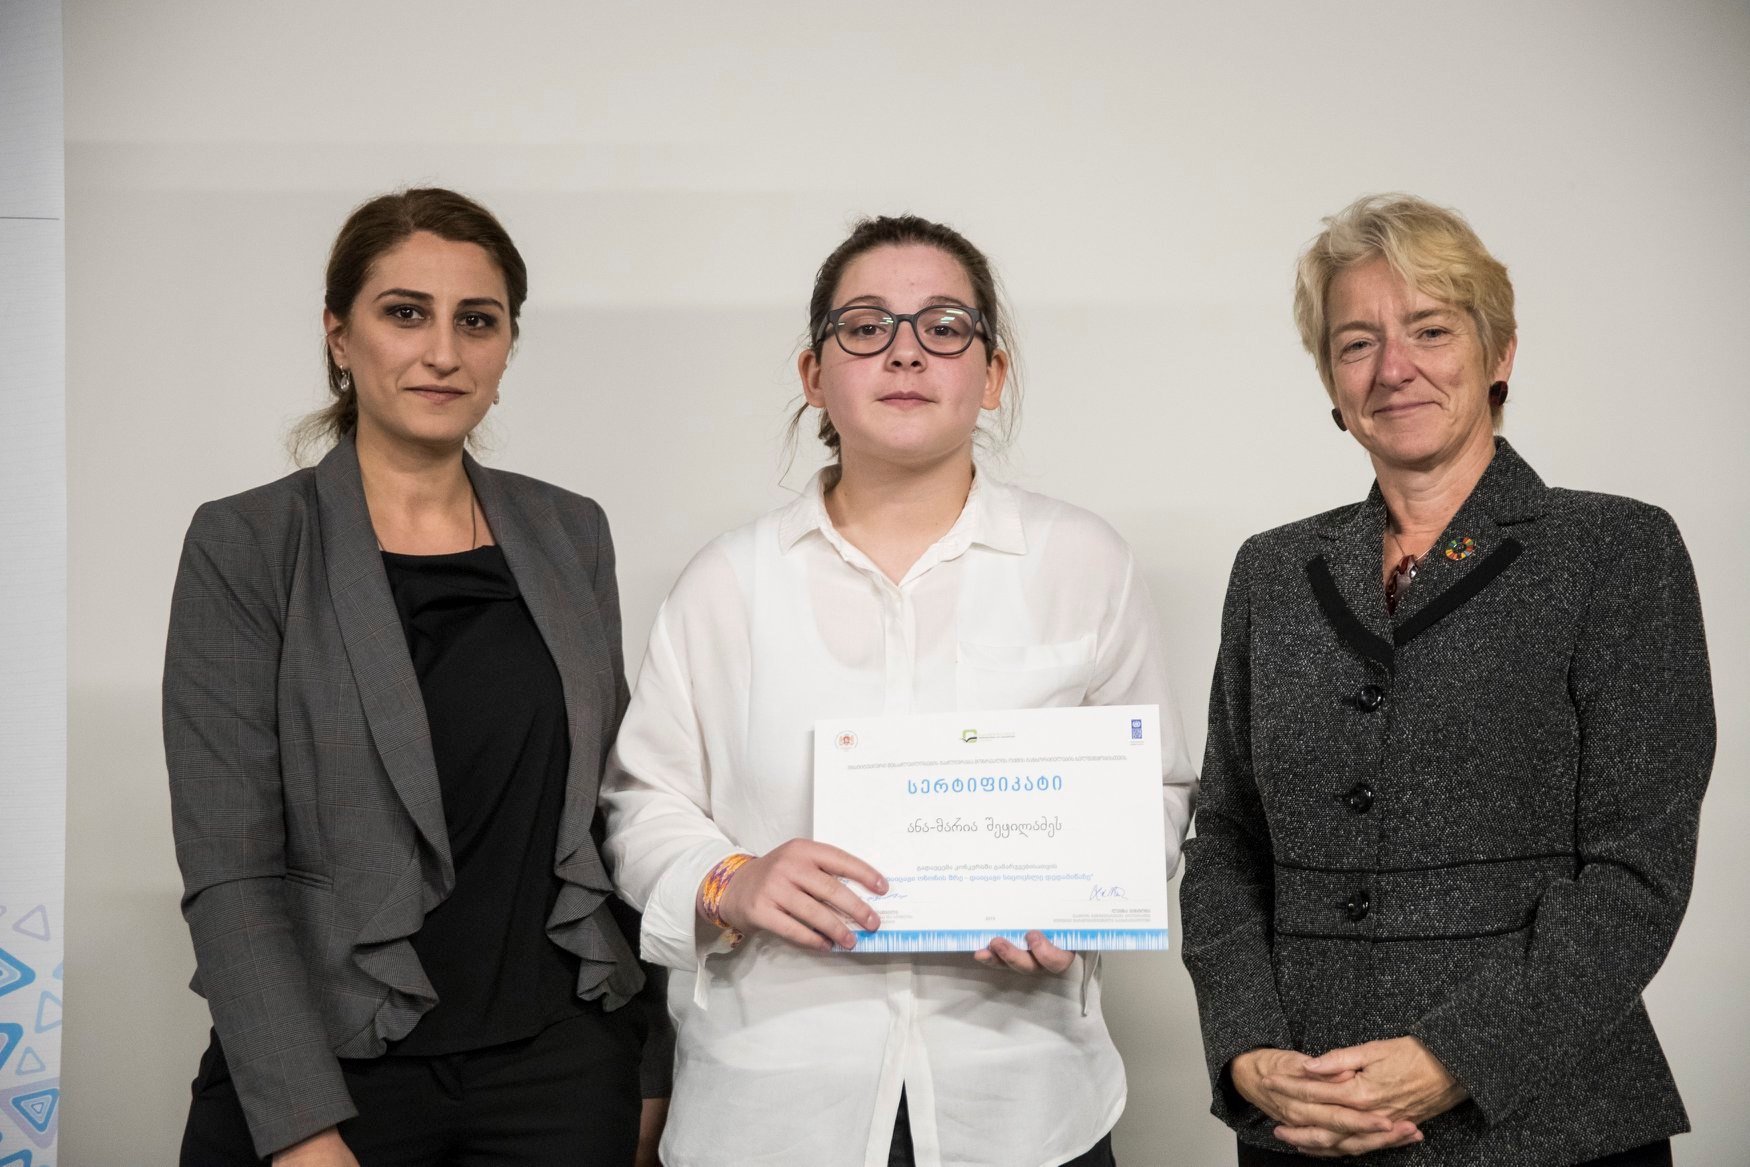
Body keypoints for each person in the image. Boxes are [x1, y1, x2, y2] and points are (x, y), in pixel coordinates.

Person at [599, 214, 1197, 1167]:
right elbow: (642, 806)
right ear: (815, 374)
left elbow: (1155, 789)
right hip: (772, 1106)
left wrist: (1082, 893)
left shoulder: (1084, 563)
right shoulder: (727, 582)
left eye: (945, 326)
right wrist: (728, 880)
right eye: (867, 325)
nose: (906, 352)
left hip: (1025, 1102)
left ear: (992, 375)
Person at [1178, 193, 1714, 1166]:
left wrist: (1453, 1057)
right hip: (1309, 1118)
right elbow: (1225, 840)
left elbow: (1636, 872)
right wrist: (1248, 1051)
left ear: (1498, 352)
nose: (1394, 368)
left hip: (1550, 1127)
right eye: (1356, 343)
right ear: (1331, 381)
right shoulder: (1272, 571)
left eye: (1430, 329)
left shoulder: (1616, 551)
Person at [164, 187, 670, 1167]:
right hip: (333, 1074)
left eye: (476, 321)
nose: (443, 351)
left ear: (507, 348)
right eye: (405, 313)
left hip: (559, 1072)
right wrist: (300, 1130)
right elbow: (232, 870)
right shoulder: (248, 543)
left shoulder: (571, 531)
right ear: (338, 336)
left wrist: (651, 1063)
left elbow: (613, 813)